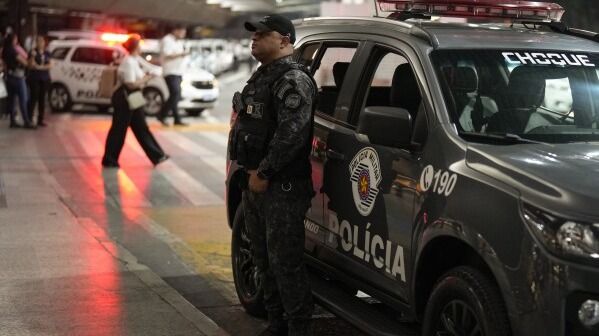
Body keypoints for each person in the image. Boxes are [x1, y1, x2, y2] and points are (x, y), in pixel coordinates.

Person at [230, 14, 317, 336]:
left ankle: (297, 327)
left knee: (285, 262)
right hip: (256, 181)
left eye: (263, 34)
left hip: (281, 186)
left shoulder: (292, 80)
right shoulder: (263, 76)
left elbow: (291, 133)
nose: (255, 38)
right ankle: (276, 322)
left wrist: (265, 172)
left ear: (284, 40)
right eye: (254, 34)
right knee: (263, 258)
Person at [102, 35, 169, 168]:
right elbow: (131, 84)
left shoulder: (134, 59)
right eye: (139, 45)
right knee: (119, 129)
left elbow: (147, 67)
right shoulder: (128, 62)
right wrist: (148, 77)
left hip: (134, 97)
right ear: (135, 47)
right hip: (125, 98)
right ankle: (109, 159)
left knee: (141, 127)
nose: (141, 47)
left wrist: (152, 72)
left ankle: (157, 155)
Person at [157, 24, 189, 126]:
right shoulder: (167, 40)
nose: (183, 34)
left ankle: (177, 119)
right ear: (175, 30)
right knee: (175, 94)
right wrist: (182, 54)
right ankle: (162, 114)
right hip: (170, 71)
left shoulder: (179, 42)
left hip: (178, 72)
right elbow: (167, 54)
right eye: (182, 32)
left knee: (176, 95)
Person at [2, 33, 34, 128]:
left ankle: (12, 121)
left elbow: (4, 64)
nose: (17, 41)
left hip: (9, 77)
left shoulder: (4, 50)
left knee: (12, 100)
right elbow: (24, 63)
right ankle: (26, 122)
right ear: (13, 40)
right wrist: (30, 58)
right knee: (23, 99)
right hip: (18, 77)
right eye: (16, 39)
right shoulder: (13, 50)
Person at [27, 35, 52, 127]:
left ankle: (40, 119)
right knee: (34, 97)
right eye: (39, 41)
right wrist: (32, 57)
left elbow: (50, 65)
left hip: (44, 78)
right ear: (36, 43)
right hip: (34, 78)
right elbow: (30, 65)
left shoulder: (47, 53)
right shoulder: (33, 52)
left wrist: (40, 67)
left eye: (42, 41)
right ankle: (29, 118)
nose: (40, 43)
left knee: (42, 99)